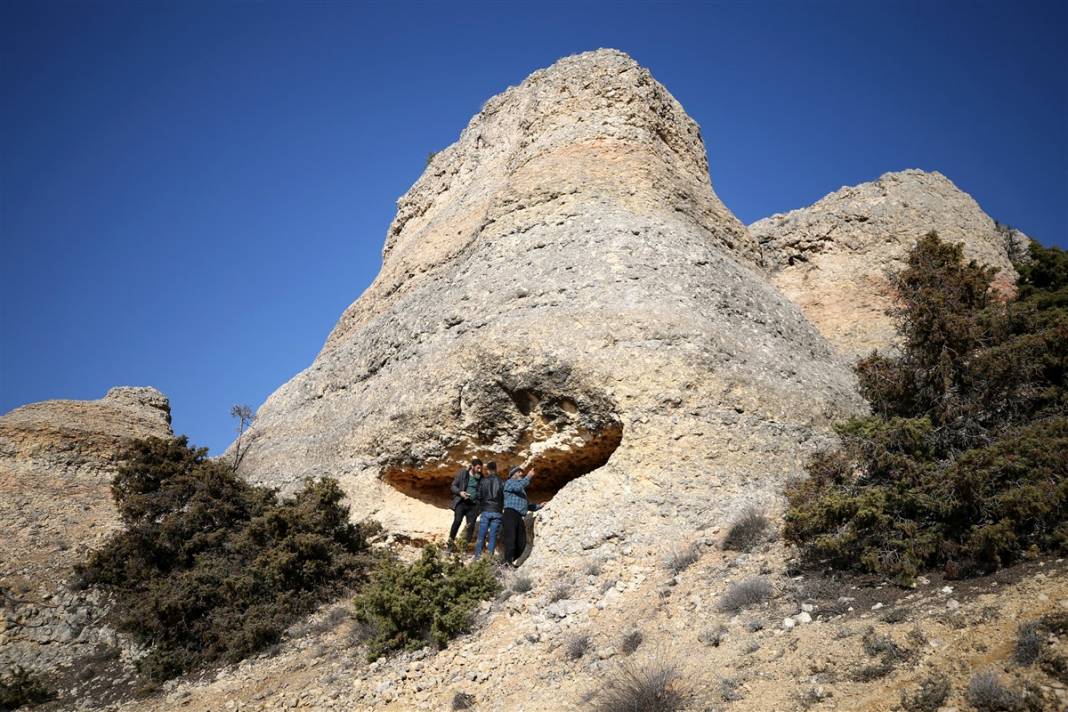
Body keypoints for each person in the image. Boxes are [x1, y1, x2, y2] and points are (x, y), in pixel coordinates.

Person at [502, 465, 537, 566]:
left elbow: (526, 505)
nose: (521, 474)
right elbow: (518, 487)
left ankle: (509, 561)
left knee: (521, 543)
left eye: (522, 472)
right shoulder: (509, 483)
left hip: (518, 516)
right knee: (511, 540)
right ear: (512, 475)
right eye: (519, 472)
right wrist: (528, 476)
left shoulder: (521, 490)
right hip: (510, 514)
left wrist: (539, 506)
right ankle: (507, 564)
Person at [447, 458, 482, 552]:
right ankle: (449, 546)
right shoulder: (463, 473)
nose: (480, 470)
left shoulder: (480, 477)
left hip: (473, 506)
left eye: (481, 468)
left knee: (470, 527)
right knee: (457, 522)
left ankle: (463, 550)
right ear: (472, 466)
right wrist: (460, 493)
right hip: (461, 503)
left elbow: (481, 492)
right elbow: (453, 486)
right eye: (478, 468)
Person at [473, 461, 504, 561]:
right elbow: (504, 496)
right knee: (493, 536)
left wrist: (481, 507)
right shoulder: (501, 482)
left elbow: (478, 495)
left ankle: (477, 556)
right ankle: (489, 558)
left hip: (486, 510)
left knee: (481, 534)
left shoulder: (483, 481)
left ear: (488, 470)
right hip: (497, 511)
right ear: (496, 469)